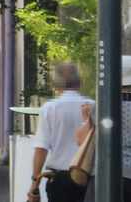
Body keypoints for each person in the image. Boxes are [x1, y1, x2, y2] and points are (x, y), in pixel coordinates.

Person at [26, 63, 94, 202]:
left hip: (59, 179)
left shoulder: (49, 109)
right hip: (90, 178)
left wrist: (35, 184)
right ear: (80, 82)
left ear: (55, 85)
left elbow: (41, 149)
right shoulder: (94, 106)